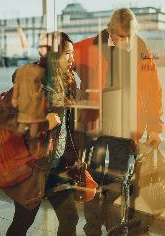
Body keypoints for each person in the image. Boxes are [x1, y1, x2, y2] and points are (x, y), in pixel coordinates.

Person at [73, 8, 163, 235]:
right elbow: (59, 61)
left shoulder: (140, 47)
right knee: (92, 183)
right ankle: (93, 228)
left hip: (124, 132)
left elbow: (153, 89)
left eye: (130, 36)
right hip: (94, 130)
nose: (127, 42)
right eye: (121, 37)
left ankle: (115, 227)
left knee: (117, 186)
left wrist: (154, 128)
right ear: (111, 32)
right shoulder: (89, 47)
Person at [3, 31, 80, 236]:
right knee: (21, 223)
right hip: (33, 169)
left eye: (72, 53)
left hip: (56, 167)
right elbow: (6, 119)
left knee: (70, 217)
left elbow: (66, 128)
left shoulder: (68, 82)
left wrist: (74, 157)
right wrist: (43, 123)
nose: (72, 58)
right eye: (67, 53)